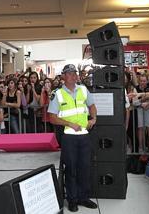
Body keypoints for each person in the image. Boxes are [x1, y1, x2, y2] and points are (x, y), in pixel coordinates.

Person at [47, 64, 98, 212]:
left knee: (85, 167)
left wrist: (93, 119)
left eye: (74, 73)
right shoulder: (57, 94)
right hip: (68, 136)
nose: (73, 76)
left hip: (84, 136)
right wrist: (70, 123)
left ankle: (83, 197)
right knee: (71, 169)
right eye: (69, 73)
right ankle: (72, 199)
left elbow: (92, 106)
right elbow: (52, 118)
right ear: (63, 76)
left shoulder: (83, 89)